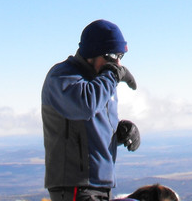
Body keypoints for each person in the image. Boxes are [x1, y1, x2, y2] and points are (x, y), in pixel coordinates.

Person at [42, 19, 141, 201]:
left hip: (103, 185)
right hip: (75, 187)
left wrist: (120, 132)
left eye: (120, 56)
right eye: (112, 55)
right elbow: (85, 105)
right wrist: (112, 74)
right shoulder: (62, 76)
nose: (117, 63)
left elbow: (87, 129)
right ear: (93, 52)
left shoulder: (103, 81)